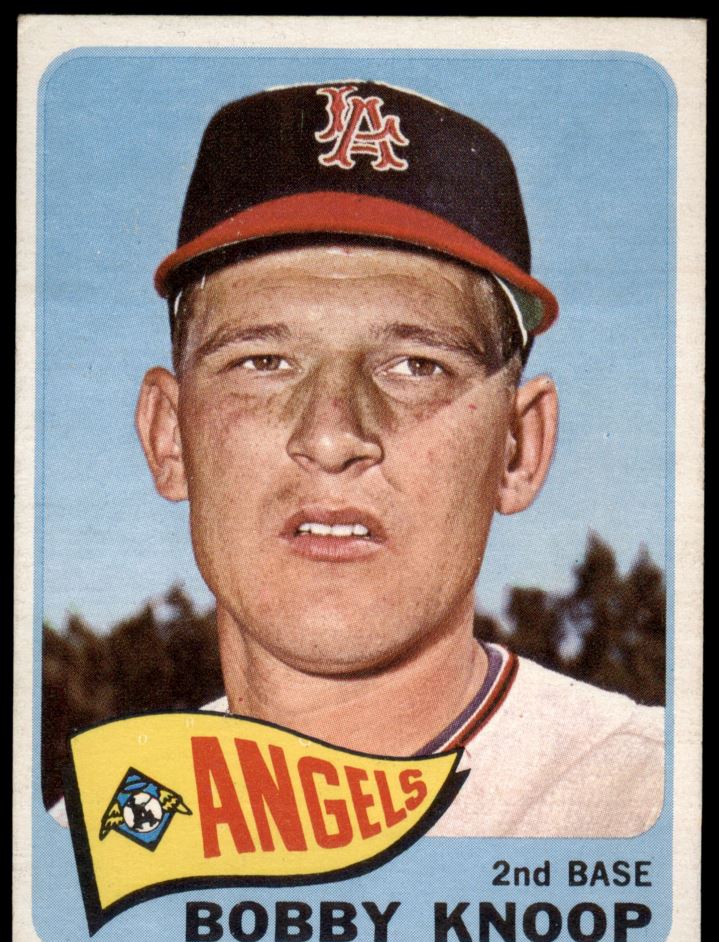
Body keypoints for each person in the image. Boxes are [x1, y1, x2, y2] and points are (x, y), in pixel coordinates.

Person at [53, 82, 664, 836]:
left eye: (415, 366)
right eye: (262, 362)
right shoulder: (86, 844)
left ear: (518, 446)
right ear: (169, 436)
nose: (332, 436)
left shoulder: (651, 806)